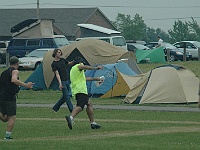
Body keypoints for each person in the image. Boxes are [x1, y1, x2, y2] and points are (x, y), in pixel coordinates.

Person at [0, 56, 34, 140]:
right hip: (9, 97)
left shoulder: (3, 72)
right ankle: (7, 137)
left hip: (2, 96)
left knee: (4, 118)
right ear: (17, 63)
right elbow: (14, 80)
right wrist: (26, 85)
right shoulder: (15, 71)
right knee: (12, 117)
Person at [65, 56, 103, 130]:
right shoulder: (77, 66)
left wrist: (96, 79)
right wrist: (96, 68)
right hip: (80, 90)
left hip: (78, 89)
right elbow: (84, 67)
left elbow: (85, 79)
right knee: (80, 106)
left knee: (89, 104)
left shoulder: (74, 71)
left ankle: (93, 123)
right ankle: (71, 117)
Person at [51, 48, 74, 113]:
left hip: (67, 79)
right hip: (62, 81)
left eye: (60, 52)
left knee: (66, 96)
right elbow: (57, 73)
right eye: (58, 52)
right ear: (55, 54)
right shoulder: (54, 64)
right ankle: (72, 110)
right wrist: (60, 83)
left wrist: (74, 61)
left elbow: (68, 63)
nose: (60, 53)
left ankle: (55, 108)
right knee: (67, 97)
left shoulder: (63, 60)